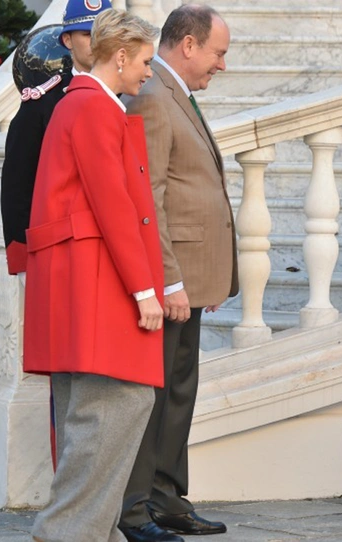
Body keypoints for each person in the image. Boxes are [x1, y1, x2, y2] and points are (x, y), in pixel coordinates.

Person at [23, 9, 164, 542]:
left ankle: (84, 532)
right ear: (121, 56)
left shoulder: (84, 105)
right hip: (97, 282)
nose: (150, 72)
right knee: (112, 409)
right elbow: (114, 206)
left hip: (88, 280)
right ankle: (66, 533)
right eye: (146, 61)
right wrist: (145, 290)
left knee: (98, 414)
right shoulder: (91, 107)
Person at [120, 5, 238, 542]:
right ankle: (136, 508)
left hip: (190, 279)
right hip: (169, 282)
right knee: (156, 393)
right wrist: (170, 280)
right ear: (187, 45)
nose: (221, 65)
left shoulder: (175, 93)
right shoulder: (150, 96)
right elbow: (150, 200)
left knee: (180, 391)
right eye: (217, 53)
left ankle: (169, 499)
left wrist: (204, 275)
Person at [0, 0, 112, 278]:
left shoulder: (128, 96)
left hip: (116, 249)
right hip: (64, 253)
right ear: (67, 40)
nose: (96, 42)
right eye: (87, 34)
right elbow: (18, 185)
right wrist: (24, 261)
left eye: (103, 34)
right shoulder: (42, 103)